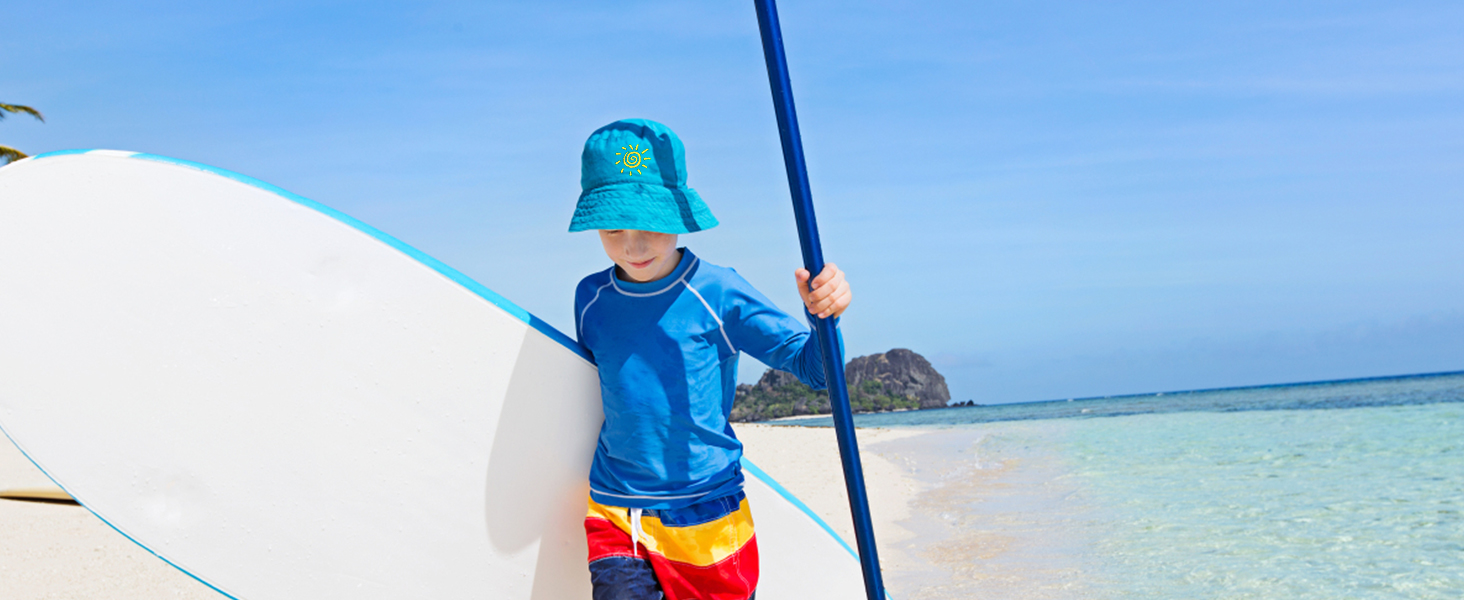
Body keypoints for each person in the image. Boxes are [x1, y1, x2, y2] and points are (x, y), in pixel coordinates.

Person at [570, 119, 852, 600]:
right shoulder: (591, 299)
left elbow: (816, 371)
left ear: (678, 216)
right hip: (616, 509)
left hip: (708, 514)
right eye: (614, 227)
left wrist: (826, 315)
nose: (632, 246)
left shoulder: (719, 293)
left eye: (651, 226)